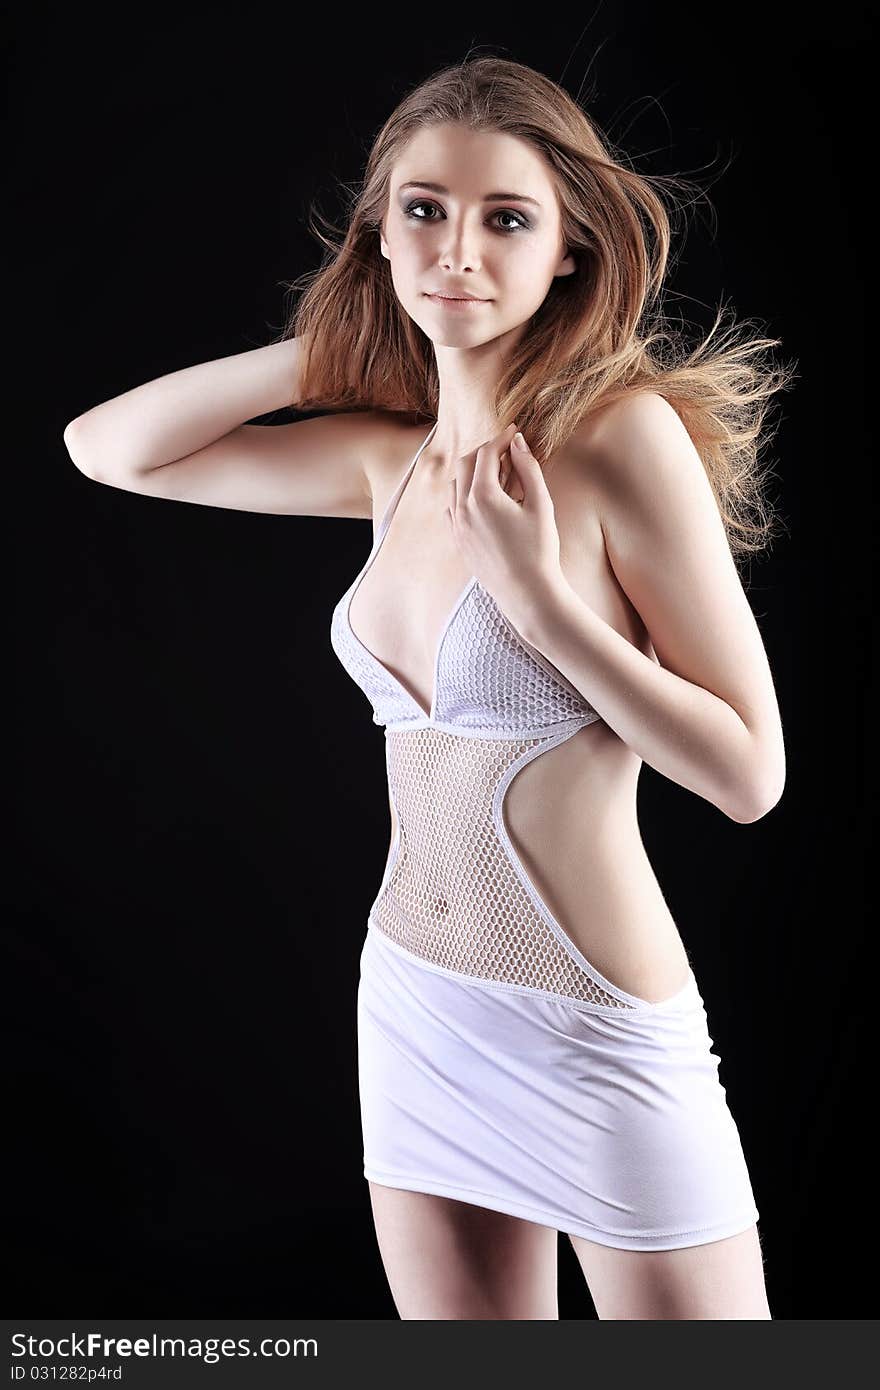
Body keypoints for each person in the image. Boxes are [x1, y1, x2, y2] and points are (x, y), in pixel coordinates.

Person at [64, 55, 793, 1320]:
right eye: (422, 210)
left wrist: (545, 606)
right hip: (412, 1001)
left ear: (569, 247)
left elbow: (746, 777)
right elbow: (107, 449)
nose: (457, 249)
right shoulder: (382, 464)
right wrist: (331, 345)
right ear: (379, 230)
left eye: (505, 218)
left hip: (592, 1023)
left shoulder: (621, 441)